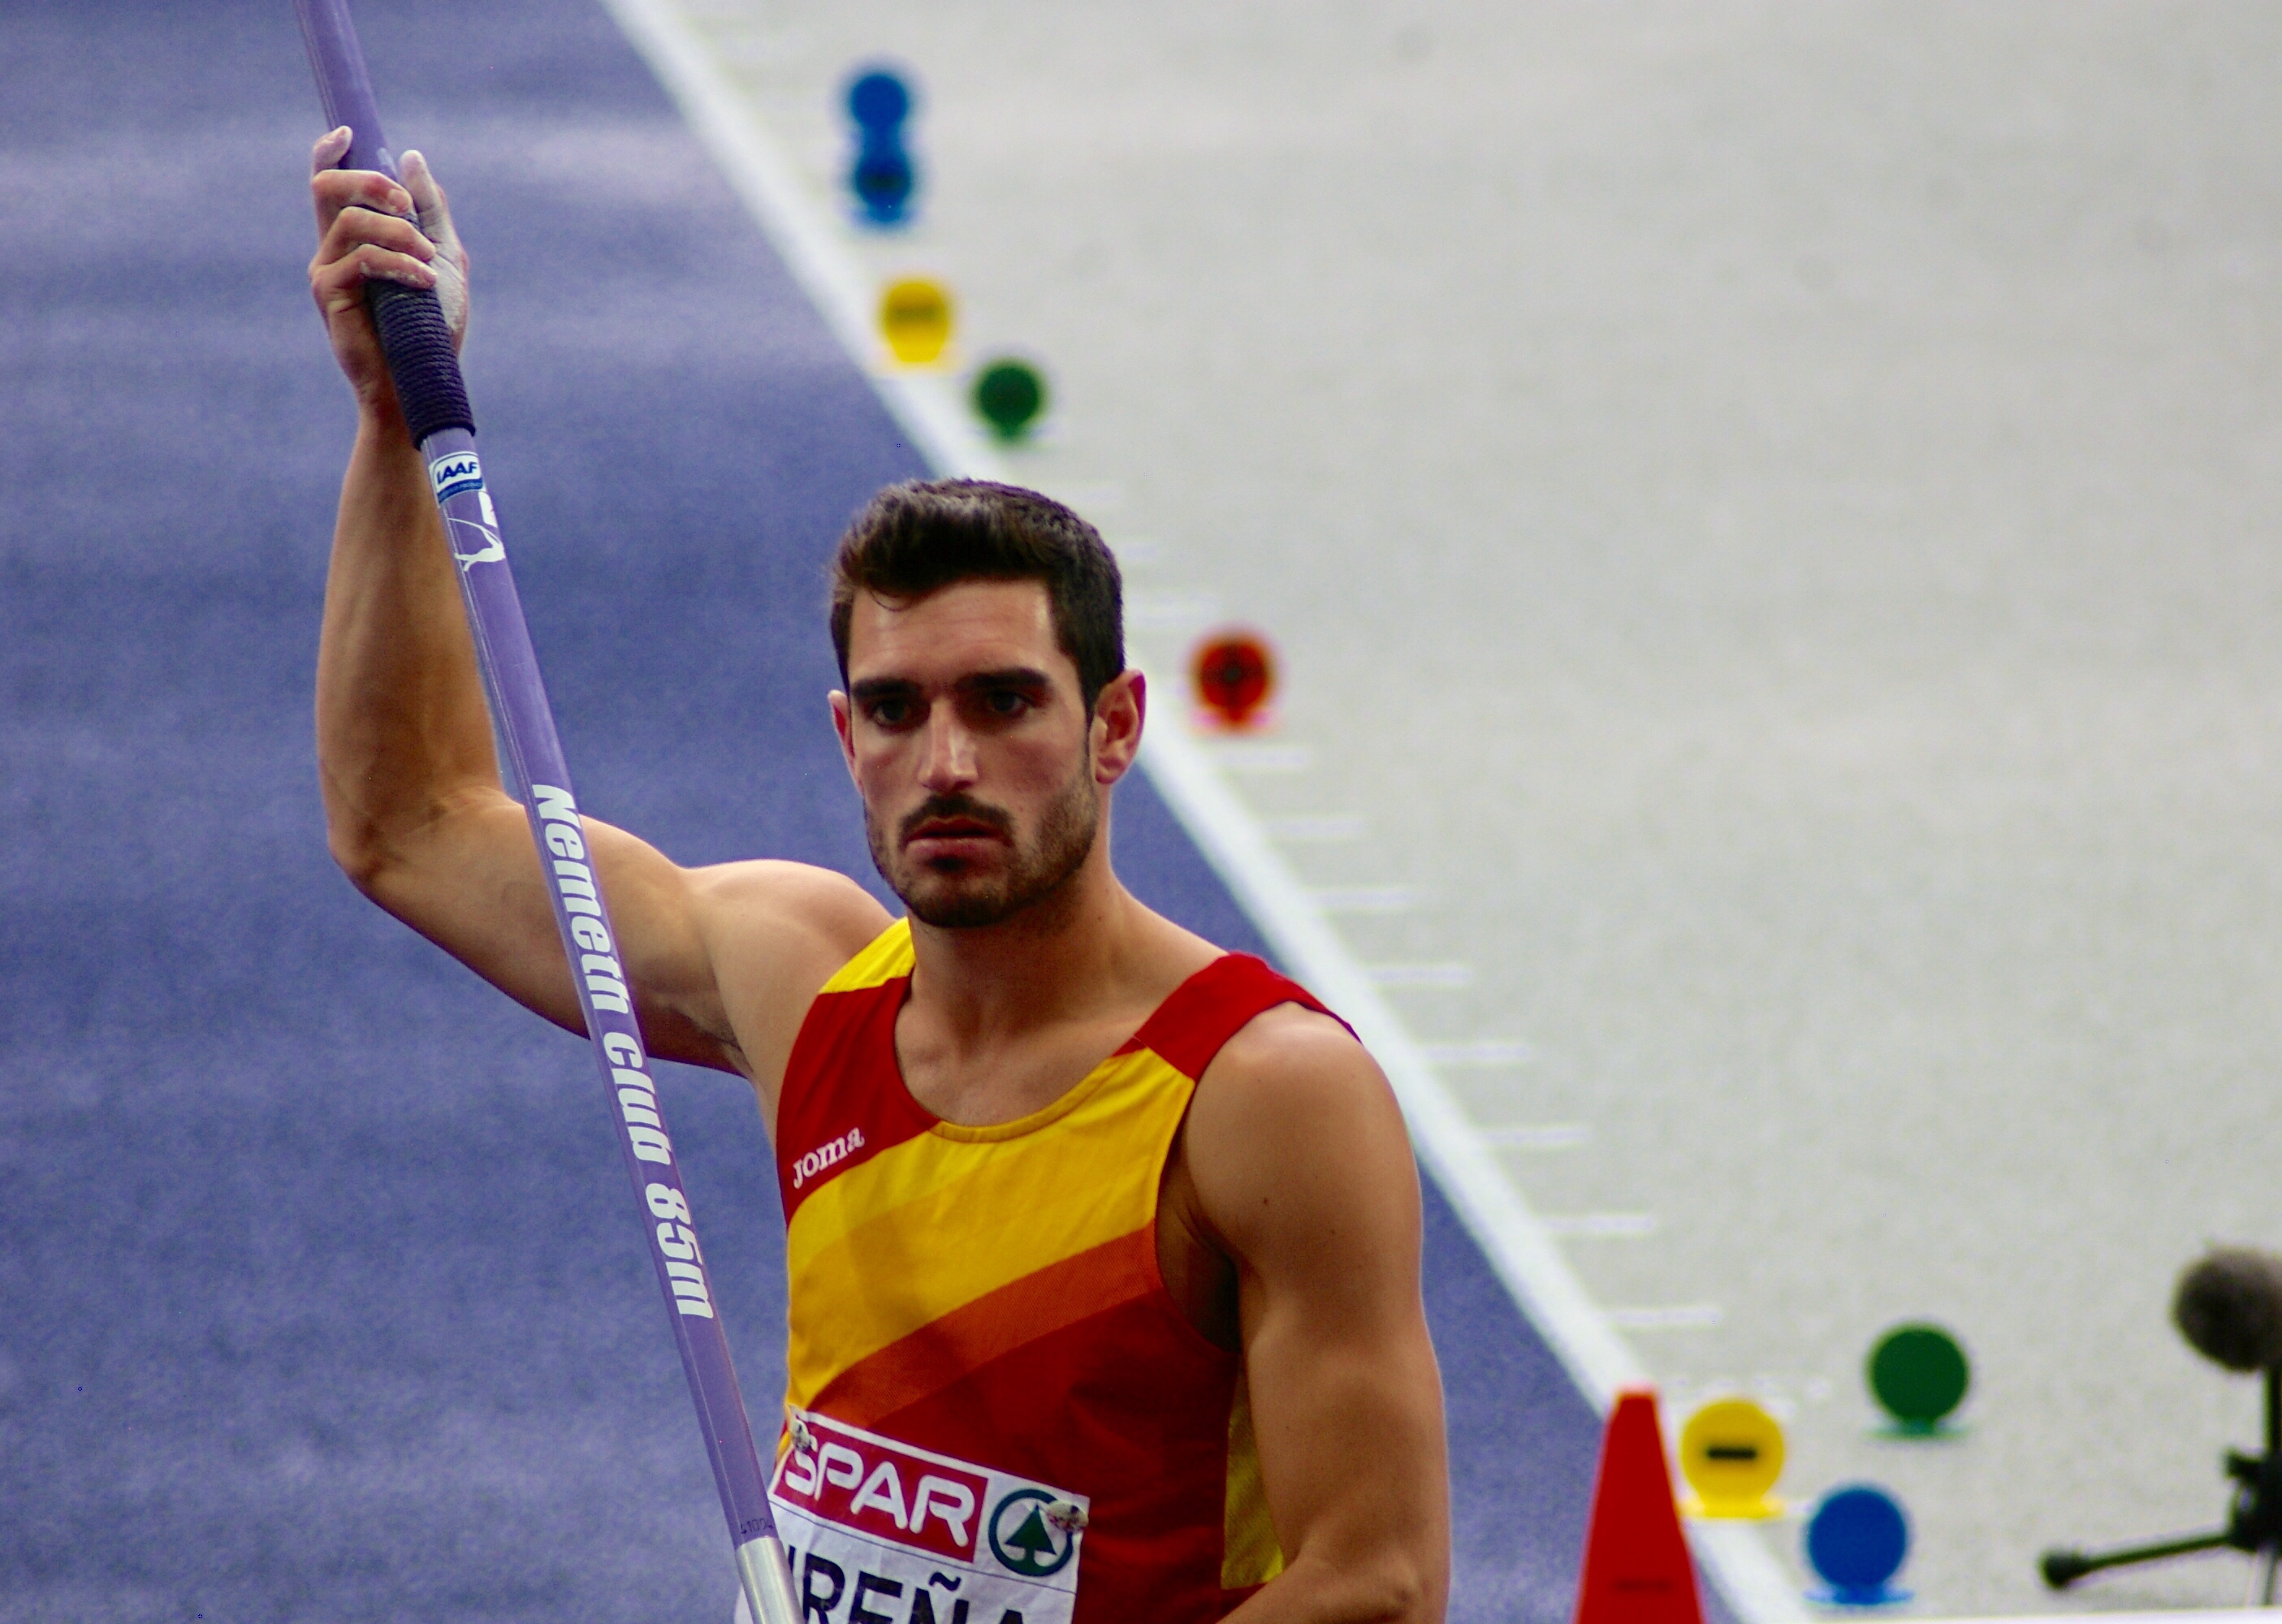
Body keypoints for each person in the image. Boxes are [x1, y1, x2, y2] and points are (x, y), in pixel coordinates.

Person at [304, 129, 1450, 1624]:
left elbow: (1379, 1584)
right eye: (899, 712)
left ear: (1114, 726)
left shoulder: (1262, 1093)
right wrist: (397, 415)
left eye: (1004, 702)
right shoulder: (799, 984)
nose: (948, 763)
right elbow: (410, 819)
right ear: (847, 737)